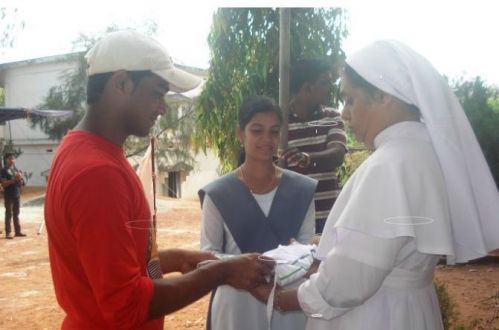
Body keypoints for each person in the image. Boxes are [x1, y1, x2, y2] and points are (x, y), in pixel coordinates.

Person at [250, 40, 499, 329]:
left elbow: (346, 283)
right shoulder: (421, 152)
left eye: (350, 100)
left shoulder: (390, 165)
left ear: (384, 96)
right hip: (407, 309)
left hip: (376, 315)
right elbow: (393, 242)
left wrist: (278, 298)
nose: (344, 113)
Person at [44, 30, 274, 329]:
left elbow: (109, 265)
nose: (163, 107)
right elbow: (125, 304)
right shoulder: (98, 173)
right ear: (122, 83)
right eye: (157, 93)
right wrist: (221, 273)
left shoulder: (82, 151)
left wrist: (175, 259)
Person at [199, 95, 318, 330]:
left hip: (287, 303)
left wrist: (299, 252)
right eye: (257, 131)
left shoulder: (302, 189)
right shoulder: (219, 193)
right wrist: (242, 266)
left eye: (274, 132)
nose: (267, 139)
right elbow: (206, 256)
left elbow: (307, 250)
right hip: (236, 301)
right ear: (240, 133)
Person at [282, 59, 347, 234]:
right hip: (294, 222)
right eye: (325, 83)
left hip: (329, 219)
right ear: (308, 87)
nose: (331, 88)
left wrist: (308, 159)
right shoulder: (280, 122)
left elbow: (338, 153)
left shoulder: (331, 117)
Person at [1, 153, 26, 239]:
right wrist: (14, 179)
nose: (12, 160)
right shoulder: (4, 170)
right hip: (9, 195)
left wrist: (21, 179)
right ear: (6, 160)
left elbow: (20, 183)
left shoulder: (15, 169)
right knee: (9, 214)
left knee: (16, 214)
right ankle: (8, 233)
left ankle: (18, 231)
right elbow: (3, 184)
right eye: (10, 158)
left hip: (17, 194)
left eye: (13, 158)